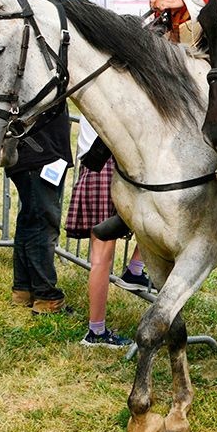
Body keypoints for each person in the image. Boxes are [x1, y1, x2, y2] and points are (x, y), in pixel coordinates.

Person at [62, 118, 136, 347]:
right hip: (107, 165)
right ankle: (96, 331)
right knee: (102, 258)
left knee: (100, 258)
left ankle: (135, 270)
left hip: (95, 164)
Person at [8, 104, 72, 314]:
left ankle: (23, 289)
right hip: (38, 153)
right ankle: (46, 296)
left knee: (30, 220)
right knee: (43, 224)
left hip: (37, 153)